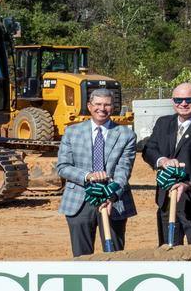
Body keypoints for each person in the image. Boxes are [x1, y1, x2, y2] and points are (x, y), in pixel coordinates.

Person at [141, 81, 191, 244]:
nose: (183, 104)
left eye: (189, 100)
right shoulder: (163, 123)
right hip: (167, 199)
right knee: (168, 251)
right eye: (178, 100)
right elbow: (149, 149)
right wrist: (162, 160)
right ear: (173, 102)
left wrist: (188, 182)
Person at [56, 89, 137, 256]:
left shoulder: (126, 135)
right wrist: (88, 176)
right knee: (81, 257)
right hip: (79, 200)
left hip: (113, 201)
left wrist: (111, 195)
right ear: (89, 106)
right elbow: (63, 166)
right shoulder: (72, 132)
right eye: (98, 104)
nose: (102, 108)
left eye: (107, 104)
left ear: (113, 107)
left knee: (114, 254)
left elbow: (124, 170)